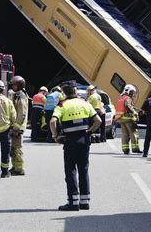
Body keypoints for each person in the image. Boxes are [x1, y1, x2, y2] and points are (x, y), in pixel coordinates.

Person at [50, 82, 102, 211]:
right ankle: (85, 202)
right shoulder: (85, 103)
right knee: (83, 170)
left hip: (70, 141)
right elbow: (98, 121)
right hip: (84, 140)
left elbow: (52, 121)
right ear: (75, 91)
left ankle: (73, 202)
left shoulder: (62, 105)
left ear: (64, 92)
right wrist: (89, 132)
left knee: (71, 171)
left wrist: (55, 136)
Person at [9, 75, 28, 176]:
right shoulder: (17, 95)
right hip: (16, 126)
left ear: (19, 85)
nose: (12, 86)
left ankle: (19, 169)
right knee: (13, 148)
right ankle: (15, 166)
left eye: (14, 85)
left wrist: (16, 127)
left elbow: (21, 113)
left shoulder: (21, 97)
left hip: (18, 127)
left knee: (17, 148)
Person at [115, 84, 141, 154]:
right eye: (132, 92)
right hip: (129, 119)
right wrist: (135, 112)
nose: (132, 93)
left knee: (125, 134)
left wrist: (136, 109)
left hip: (122, 119)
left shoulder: (122, 98)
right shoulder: (127, 98)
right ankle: (135, 148)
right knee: (133, 133)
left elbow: (126, 106)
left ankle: (125, 149)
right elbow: (128, 106)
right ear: (128, 91)